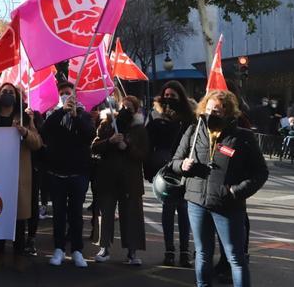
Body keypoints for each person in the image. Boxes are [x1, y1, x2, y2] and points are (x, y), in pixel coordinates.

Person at [171, 90, 268, 287]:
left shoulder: (243, 137)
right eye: (208, 109)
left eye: (216, 110)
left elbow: (260, 173)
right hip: (197, 202)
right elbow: (174, 161)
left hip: (228, 206)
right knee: (203, 254)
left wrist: (236, 191)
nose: (210, 114)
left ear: (228, 113)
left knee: (235, 258)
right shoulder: (194, 131)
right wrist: (182, 165)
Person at [0, 83, 42, 272]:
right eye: (4, 92)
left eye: (11, 92)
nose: (7, 95)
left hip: (18, 173)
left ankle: (18, 255)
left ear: (16, 97)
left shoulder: (24, 118)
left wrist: (26, 132)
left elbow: (37, 143)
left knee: (19, 218)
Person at [41, 81, 95, 268]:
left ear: (75, 95)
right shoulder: (53, 114)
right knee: (58, 213)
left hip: (78, 173)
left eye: (68, 93)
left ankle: (77, 250)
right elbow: (45, 131)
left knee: (75, 214)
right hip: (57, 172)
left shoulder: (84, 115)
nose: (65, 95)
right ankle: (59, 249)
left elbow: (89, 135)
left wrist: (76, 116)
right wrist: (62, 111)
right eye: (62, 93)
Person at [92, 95, 149, 266]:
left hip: (130, 180)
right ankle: (104, 247)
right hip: (108, 178)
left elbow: (143, 154)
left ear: (136, 110)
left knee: (132, 215)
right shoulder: (108, 123)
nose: (126, 110)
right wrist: (110, 141)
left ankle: (132, 251)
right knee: (107, 213)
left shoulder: (139, 129)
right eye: (123, 106)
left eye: (130, 108)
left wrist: (128, 147)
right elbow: (94, 147)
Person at [145, 81, 195, 267]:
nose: (169, 99)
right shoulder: (156, 115)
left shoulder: (189, 116)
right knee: (168, 211)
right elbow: (149, 142)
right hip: (164, 170)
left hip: (184, 168)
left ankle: (184, 252)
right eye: (166, 96)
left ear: (180, 97)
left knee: (183, 210)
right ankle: (169, 251)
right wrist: (148, 168)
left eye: (173, 96)